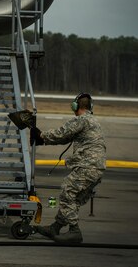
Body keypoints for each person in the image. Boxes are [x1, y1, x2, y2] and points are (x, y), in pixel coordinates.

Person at [34, 92, 106, 244]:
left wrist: (41, 135)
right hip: (96, 168)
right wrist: (44, 139)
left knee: (67, 191)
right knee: (73, 198)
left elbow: (62, 133)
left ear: (76, 106)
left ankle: (74, 231)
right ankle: (55, 227)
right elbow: (66, 138)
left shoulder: (82, 120)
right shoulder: (92, 121)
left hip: (88, 166)